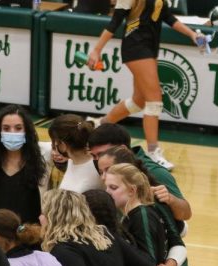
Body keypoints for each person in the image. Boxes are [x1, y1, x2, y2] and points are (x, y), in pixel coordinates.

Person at [86, 0, 206, 170]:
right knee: (154, 99)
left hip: (149, 48)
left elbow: (169, 18)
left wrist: (192, 35)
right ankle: (152, 151)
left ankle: (99, 124)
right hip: (135, 47)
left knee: (139, 101)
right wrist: (97, 50)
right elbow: (114, 23)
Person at [0, 105, 52, 224]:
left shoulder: (44, 154)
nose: (12, 133)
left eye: (18, 128)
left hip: (33, 237)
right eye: (6, 128)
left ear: (26, 131)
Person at [48, 114, 102, 194]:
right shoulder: (74, 159)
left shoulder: (97, 167)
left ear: (63, 145)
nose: (54, 146)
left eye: (54, 142)